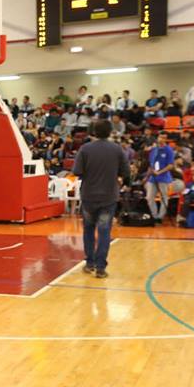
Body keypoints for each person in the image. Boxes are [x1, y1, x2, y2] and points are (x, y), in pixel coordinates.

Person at [72, 119, 131, 279]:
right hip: (108, 197)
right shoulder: (117, 149)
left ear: (94, 132)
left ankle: (89, 263)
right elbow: (126, 172)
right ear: (110, 132)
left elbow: (77, 171)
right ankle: (100, 268)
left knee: (88, 230)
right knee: (104, 232)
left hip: (89, 196)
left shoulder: (85, 149)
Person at [145, 133, 175, 222]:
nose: (161, 139)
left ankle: (160, 217)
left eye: (164, 138)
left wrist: (160, 172)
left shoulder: (169, 150)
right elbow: (151, 164)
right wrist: (148, 175)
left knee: (164, 197)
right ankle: (154, 216)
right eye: (160, 137)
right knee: (149, 197)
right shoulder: (154, 150)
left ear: (166, 140)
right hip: (153, 177)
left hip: (163, 177)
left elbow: (170, 165)